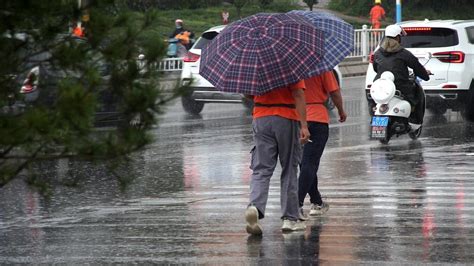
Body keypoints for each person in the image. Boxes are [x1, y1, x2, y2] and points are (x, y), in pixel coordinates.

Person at [245, 81, 311, 236]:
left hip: (260, 117)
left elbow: (248, 94)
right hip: (286, 117)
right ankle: (289, 218)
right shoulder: (289, 63)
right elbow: (298, 94)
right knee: (289, 168)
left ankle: (255, 206)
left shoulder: (255, 66)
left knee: (261, 169)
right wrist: (304, 126)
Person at [297, 71, 347, 220]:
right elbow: (334, 92)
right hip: (318, 118)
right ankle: (297, 203)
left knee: (305, 164)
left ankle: (317, 202)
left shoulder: (292, 67)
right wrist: (341, 110)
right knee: (310, 164)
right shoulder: (322, 66)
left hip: (297, 119)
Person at [372, 24, 431, 129]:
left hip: (380, 87)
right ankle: (415, 121)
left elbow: (376, 69)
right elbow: (417, 67)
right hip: (400, 86)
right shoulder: (404, 53)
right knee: (417, 93)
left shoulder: (377, 53)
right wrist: (425, 75)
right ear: (398, 37)